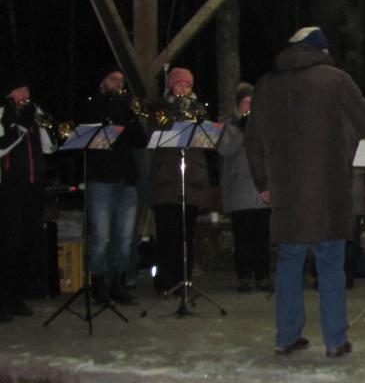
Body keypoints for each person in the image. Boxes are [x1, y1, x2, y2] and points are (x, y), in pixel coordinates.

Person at [246, 26, 365, 357]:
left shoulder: (266, 85)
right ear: (321, 51)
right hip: (326, 190)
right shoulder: (334, 79)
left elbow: (253, 140)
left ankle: (286, 337)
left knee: (289, 262)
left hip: (285, 193)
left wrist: (263, 183)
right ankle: (335, 340)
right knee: (330, 262)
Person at [75, 68, 147, 305]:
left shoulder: (127, 109)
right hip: (100, 181)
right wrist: (113, 111)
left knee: (124, 238)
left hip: (126, 181)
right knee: (101, 237)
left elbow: (141, 140)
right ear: (102, 82)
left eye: (121, 81)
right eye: (113, 79)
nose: (118, 84)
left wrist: (131, 116)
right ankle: (99, 286)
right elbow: (87, 138)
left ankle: (119, 284)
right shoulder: (91, 106)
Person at [148, 66, 212, 293]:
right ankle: (165, 281)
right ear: (171, 87)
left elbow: (207, 139)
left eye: (187, 85)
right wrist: (176, 114)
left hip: (191, 180)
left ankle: (185, 280)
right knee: (167, 233)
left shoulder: (198, 108)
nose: (183, 89)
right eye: (179, 85)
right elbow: (154, 136)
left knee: (187, 234)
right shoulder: (160, 108)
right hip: (166, 180)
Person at [0, 71, 56, 321]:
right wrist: (21, 125)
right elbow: (1, 148)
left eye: (27, 90)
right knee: (8, 244)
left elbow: (49, 148)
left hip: (33, 185)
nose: (24, 95)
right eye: (19, 90)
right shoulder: (3, 111)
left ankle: (17, 296)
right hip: (9, 187)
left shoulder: (31, 113)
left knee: (26, 242)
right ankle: (4, 299)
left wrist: (43, 124)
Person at [217, 82, 272, 293]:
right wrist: (242, 131)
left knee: (262, 236)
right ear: (238, 104)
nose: (249, 106)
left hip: (261, 189)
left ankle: (263, 276)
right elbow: (225, 151)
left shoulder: (264, 124)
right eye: (246, 102)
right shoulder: (229, 125)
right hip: (239, 188)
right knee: (243, 237)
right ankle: (244, 277)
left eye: (253, 103)